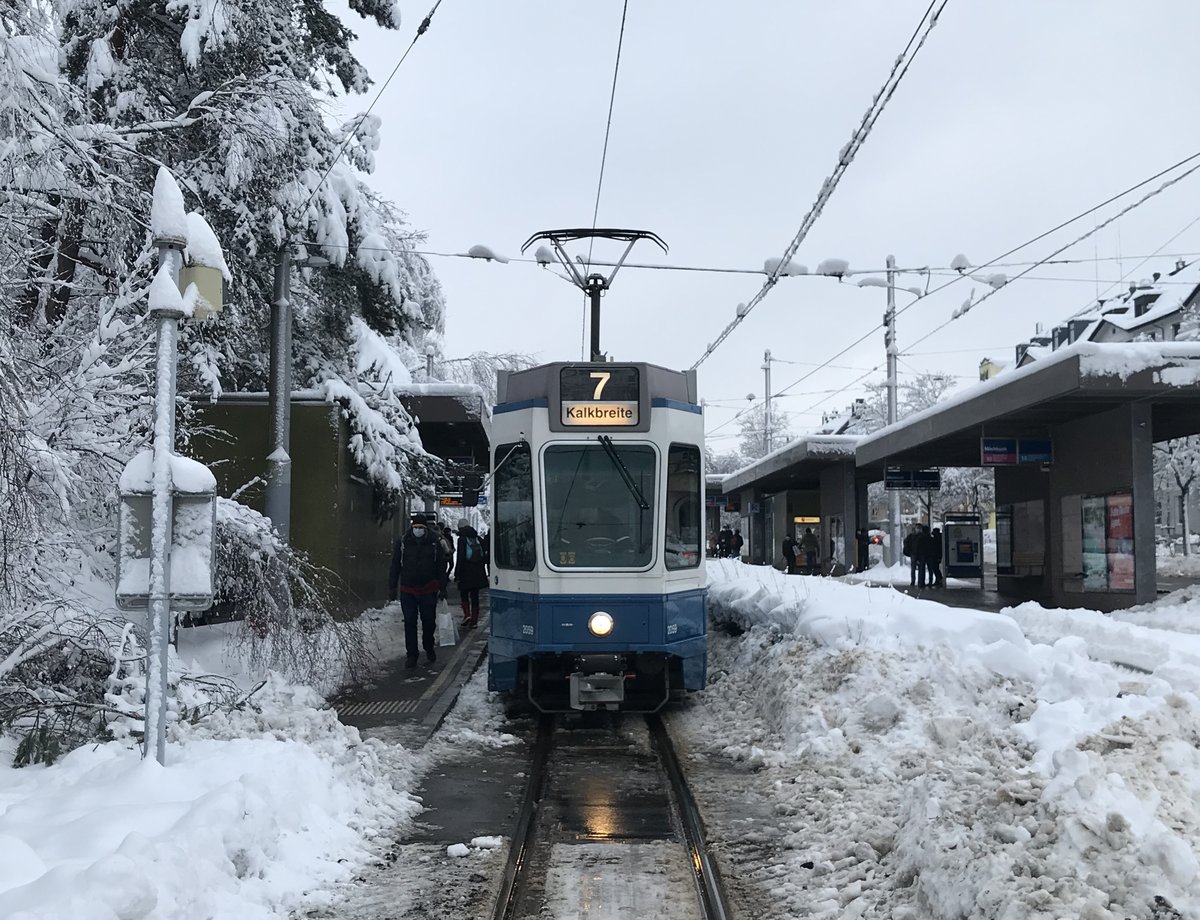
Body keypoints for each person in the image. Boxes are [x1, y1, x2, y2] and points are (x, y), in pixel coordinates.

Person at [389, 513, 448, 667]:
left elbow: (441, 566)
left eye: (420, 527)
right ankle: (412, 655)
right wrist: (392, 587)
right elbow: (395, 566)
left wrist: (443, 587)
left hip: (428, 588)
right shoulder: (403, 542)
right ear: (412, 527)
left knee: (428, 621)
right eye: (415, 527)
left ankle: (428, 647)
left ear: (425, 528)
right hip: (407, 589)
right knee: (410, 622)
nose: (418, 530)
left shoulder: (434, 542)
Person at [455, 519, 489, 628]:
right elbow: (485, 554)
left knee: (464, 594)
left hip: (465, 571)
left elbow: (460, 557)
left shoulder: (462, 540)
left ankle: (467, 615)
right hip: (478, 572)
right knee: (475, 596)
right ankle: (474, 621)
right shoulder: (478, 538)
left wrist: (457, 574)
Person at [913, 524, 931, 588]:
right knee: (930, 569)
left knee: (921, 569)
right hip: (929, 555)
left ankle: (921, 582)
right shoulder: (930, 538)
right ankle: (930, 581)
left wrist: (917, 557)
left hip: (921, 555)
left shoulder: (920, 538)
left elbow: (917, 547)